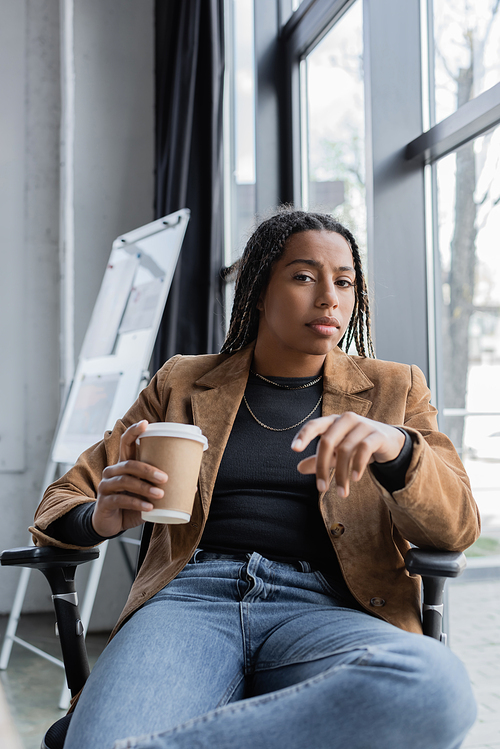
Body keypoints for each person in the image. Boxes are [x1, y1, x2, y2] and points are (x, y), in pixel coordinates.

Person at [32, 210, 479, 749]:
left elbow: (457, 526)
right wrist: (97, 516)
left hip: (329, 608)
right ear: (259, 291)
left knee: (438, 688)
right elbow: (62, 499)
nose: (328, 299)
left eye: (343, 282)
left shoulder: (394, 389)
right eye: (304, 276)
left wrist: (398, 448)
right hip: (190, 602)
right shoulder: (182, 382)